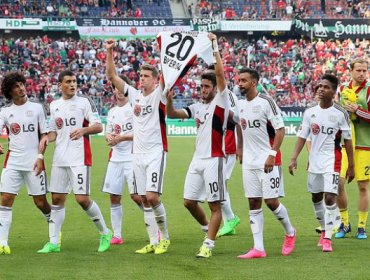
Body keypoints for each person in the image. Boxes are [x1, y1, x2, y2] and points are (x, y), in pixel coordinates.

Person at [166, 33, 230, 258]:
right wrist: (170, 100)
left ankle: (209, 245)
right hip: (197, 159)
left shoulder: (222, 101)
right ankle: (208, 230)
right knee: (188, 202)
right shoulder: (197, 107)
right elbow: (173, 114)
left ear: (215, 88)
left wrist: (214, 46)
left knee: (215, 206)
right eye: (201, 86)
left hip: (214, 159)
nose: (202, 90)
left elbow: (220, 74)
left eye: (206, 87)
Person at [105, 40, 170, 255]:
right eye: (140, 76)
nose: (142, 79)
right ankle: (152, 241)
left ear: (155, 80)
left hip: (156, 152)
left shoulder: (159, 94)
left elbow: (169, 75)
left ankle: (165, 238)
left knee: (152, 197)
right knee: (143, 198)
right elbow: (113, 77)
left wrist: (163, 52)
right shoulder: (134, 95)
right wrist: (110, 51)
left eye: (146, 76)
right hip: (137, 154)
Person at [37, 70, 112, 253]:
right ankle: (54, 242)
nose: (72, 85)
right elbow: (54, 131)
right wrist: (48, 139)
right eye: (68, 82)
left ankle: (105, 232)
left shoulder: (84, 102)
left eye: (74, 81)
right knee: (56, 199)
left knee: (82, 199)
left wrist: (83, 131)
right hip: (60, 159)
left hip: (79, 158)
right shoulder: (54, 105)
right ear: (60, 85)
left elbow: (98, 125)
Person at [289, 74, 354, 252]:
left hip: (332, 160)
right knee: (315, 197)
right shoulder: (310, 113)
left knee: (330, 197)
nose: (320, 89)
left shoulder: (341, 114)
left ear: (333, 91)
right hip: (314, 161)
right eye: (319, 86)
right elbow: (302, 136)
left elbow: (347, 141)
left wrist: (351, 165)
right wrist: (294, 157)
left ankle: (327, 238)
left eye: (325, 87)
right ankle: (325, 228)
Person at [236, 68, 296, 259]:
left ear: (253, 82)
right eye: (239, 80)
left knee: (271, 202)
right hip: (249, 162)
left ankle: (290, 231)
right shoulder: (240, 104)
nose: (240, 84)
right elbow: (239, 125)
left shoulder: (266, 102)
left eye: (243, 81)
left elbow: (280, 129)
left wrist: (271, 154)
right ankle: (258, 248)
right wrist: (239, 147)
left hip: (268, 159)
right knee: (253, 202)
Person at [0, 72, 51, 255]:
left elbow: (44, 134)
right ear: (9, 91)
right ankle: (3, 243)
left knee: (40, 202)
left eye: (22, 84)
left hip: (34, 161)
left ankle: (54, 229)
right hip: (13, 161)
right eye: (16, 86)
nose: (21, 88)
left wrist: (40, 157)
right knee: (5, 199)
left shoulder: (37, 108)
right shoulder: (5, 112)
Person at [335, 58, 370, 239]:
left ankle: (362, 226)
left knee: (363, 186)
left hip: (365, 145)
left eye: (365, 70)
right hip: (345, 145)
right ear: (351, 71)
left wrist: (358, 110)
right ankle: (344, 223)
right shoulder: (342, 90)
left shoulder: (369, 90)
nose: (362, 74)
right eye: (359, 70)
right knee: (339, 183)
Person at [101, 83, 135, 245]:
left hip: (132, 157)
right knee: (114, 197)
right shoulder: (112, 112)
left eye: (123, 89)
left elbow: (141, 133)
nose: (120, 92)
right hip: (115, 158)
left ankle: (155, 227)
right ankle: (117, 235)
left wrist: (121, 138)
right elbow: (108, 132)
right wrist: (109, 138)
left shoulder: (134, 108)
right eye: (117, 89)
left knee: (137, 196)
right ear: (114, 90)